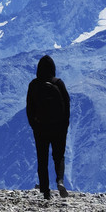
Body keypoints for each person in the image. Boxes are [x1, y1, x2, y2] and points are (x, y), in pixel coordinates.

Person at [26, 55, 70, 200]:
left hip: (40, 128)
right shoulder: (59, 84)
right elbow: (67, 107)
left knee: (42, 158)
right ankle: (60, 181)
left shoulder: (33, 85)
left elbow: (29, 109)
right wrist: (64, 126)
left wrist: (34, 125)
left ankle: (45, 191)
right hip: (58, 127)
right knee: (59, 156)